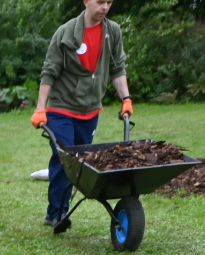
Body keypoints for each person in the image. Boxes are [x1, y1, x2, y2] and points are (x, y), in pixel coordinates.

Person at [31, 0, 132, 231]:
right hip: (61, 109)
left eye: (109, 2)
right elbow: (49, 72)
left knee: (81, 163)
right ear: (87, 1)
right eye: (100, 2)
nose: (105, 7)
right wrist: (40, 108)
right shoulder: (66, 33)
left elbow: (117, 68)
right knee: (65, 160)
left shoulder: (113, 31)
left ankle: (59, 210)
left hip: (90, 111)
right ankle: (57, 213)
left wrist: (126, 99)